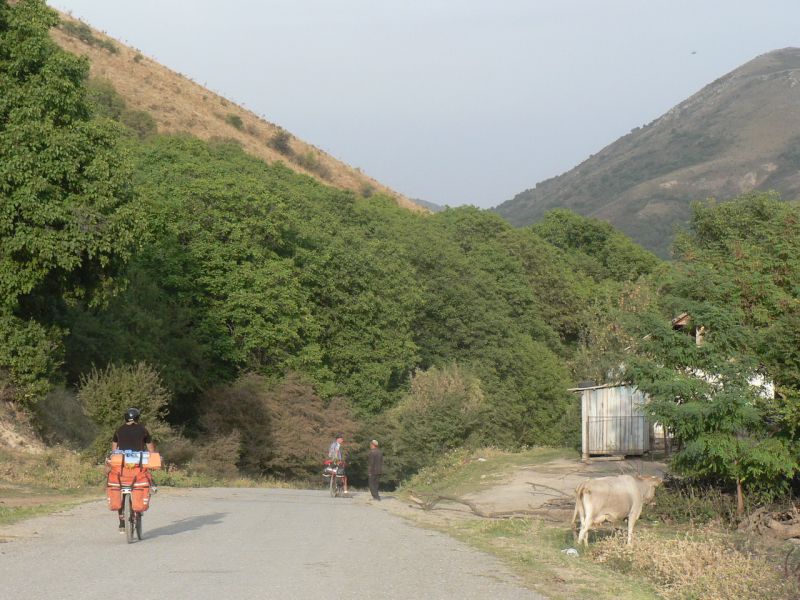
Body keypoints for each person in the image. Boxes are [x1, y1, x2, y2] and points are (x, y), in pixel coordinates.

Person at [111, 408, 155, 531]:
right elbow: (151, 449)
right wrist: (153, 456)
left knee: (118, 487)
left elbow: (114, 450)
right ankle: (138, 508)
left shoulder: (119, 430)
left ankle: (121, 521)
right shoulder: (143, 430)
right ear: (137, 418)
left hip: (122, 467)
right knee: (145, 480)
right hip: (137, 466)